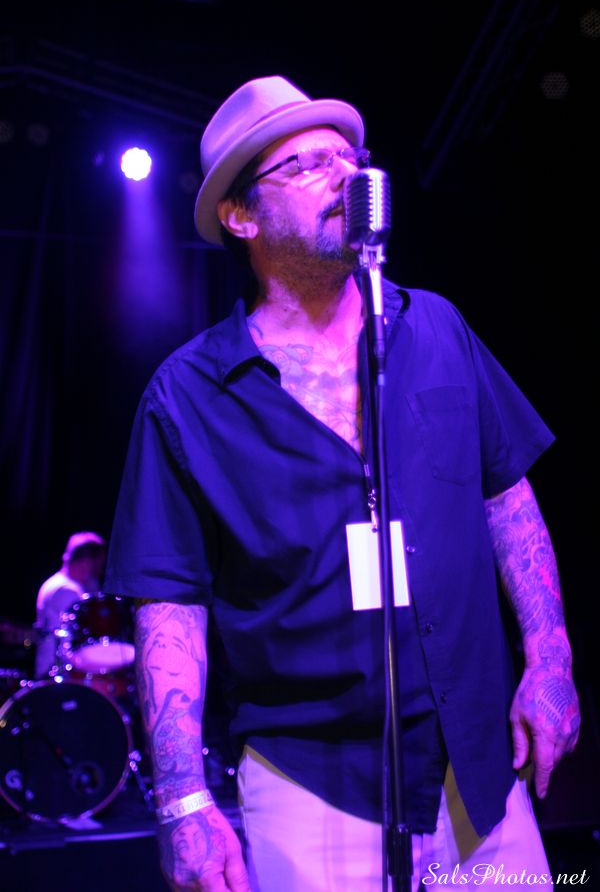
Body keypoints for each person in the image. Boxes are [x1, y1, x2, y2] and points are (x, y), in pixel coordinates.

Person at [104, 76, 580, 891]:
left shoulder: (435, 328)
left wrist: (551, 660)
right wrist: (182, 799)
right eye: (303, 165)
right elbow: (170, 606)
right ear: (241, 216)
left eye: (347, 157)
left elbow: (509, 503)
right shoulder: (188, 395)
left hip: (477, 765)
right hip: (311, 784)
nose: (341, 174)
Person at [35, 531, 106, 677]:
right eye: (99, 563)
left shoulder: (64, 585)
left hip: (56, 672)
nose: (101, 570)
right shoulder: (65, 591)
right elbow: (70, 642)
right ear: (86, 561)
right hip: (57, 673)